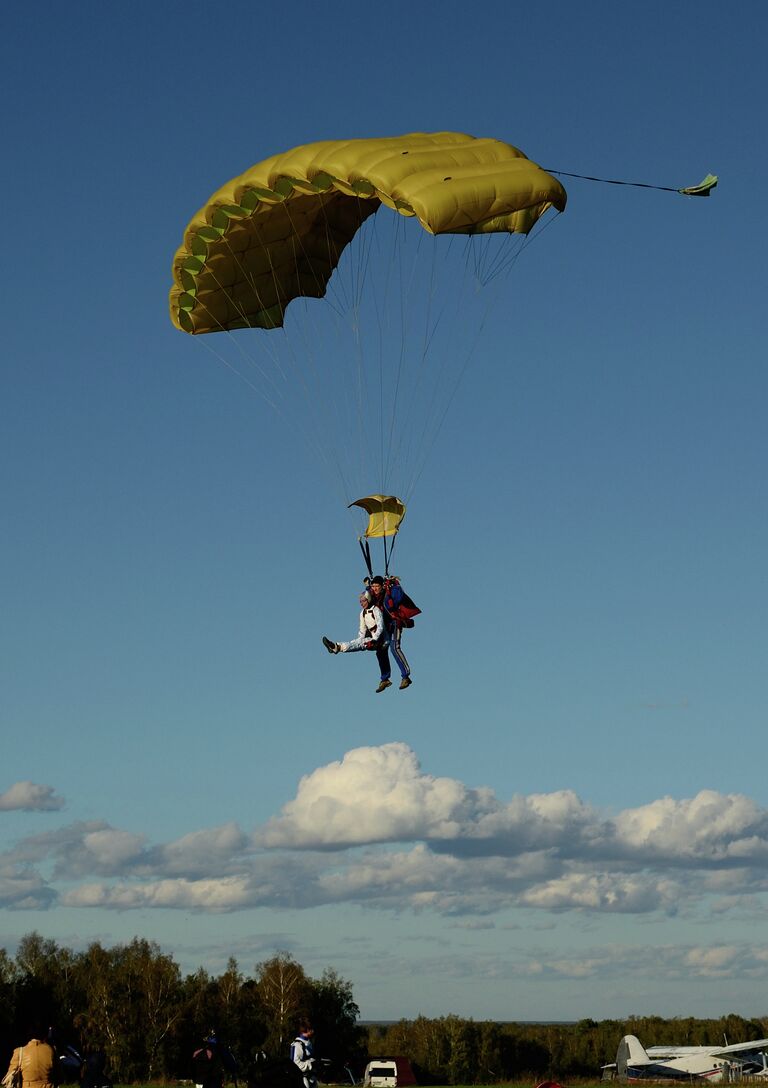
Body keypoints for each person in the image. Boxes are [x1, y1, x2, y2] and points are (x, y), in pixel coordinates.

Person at [322, 591, 393, 693]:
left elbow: (381, 627)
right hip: (372, 639)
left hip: (382, 640)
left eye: (363, 601)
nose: (361, 603)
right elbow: (362, 631)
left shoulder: (376, 610)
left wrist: (374, 639)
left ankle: (338, 647)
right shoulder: (362, 613)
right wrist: (359, 641)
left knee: (379, 655)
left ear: (368, 600)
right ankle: (337, 647)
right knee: (358, 643)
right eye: (360, 602)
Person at [368, 575, 413, 690]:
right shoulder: (373, 595)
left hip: (395, 623)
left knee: (394, 648)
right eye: (373, 586)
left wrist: (394, 584)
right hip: (385, 626)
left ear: (382, 586)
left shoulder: (390, 592)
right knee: (381, 650)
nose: (375, 589)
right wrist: (368, 585)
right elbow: (366, 595)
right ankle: (385, 679)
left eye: (377, 586)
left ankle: (405, 677)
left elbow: (400, 595)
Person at [290, 1021, 316, 1088]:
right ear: (307, 1030)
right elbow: (295, 1065)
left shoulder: (308, 1042)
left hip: (312, 1077)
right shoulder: (297, 1045)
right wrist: (311, 1064)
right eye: (311, 1029)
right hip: (301, 1079)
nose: (313, 1031)